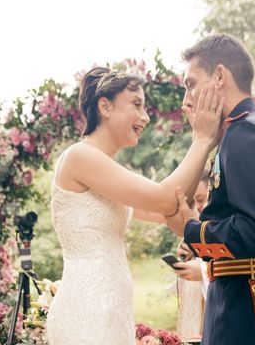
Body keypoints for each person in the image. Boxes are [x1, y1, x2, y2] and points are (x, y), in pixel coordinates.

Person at [45, 66, 223, 345]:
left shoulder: (106, 172)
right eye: (137, 105)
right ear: (105, 106)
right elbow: (166, 199)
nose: (145, 117)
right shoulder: (80, 156)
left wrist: (196, 142)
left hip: (111, 309)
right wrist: (202, 140)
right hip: (87, 310)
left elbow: (173, 208)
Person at [166, 34, 255, 345]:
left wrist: (191, 231)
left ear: (219, 76)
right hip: (250, 303)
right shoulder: (246, 129)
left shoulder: (246, 133)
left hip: (246, 314)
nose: (187, 97)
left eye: (191, 83)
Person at [171, 172, 211, 341]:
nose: (198, 207)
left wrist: (203, 271)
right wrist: (186, 258)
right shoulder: (195, 226)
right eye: (193, 202)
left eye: (201, 200)